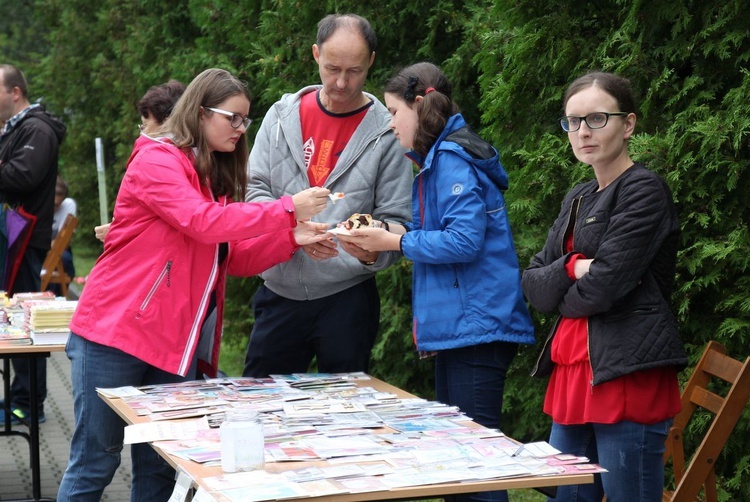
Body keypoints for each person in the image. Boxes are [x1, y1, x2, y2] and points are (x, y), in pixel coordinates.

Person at [57, 68, 331, 501]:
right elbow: (201, 223)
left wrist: (290, 238)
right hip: (115, 335)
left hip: (173, 345)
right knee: (96, 461)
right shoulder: (157, 159)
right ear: (201, 113)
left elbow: (227, 256)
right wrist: (286, 210)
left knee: (160, 468)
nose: (242, 131)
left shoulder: (211, 175)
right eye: (233, 119)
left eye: (247, 121)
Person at [337, 62, 535, 502]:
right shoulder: (436, 160)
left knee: (475, 466)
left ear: (420, 105)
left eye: (392, 111)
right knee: (458, 462)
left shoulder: (450, 160)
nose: (389, 125)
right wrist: (386, 239)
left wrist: (394, 241)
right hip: (460, 331)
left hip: (475, 330)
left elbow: (464, 242)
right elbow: (441, 235)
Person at [521, 72, 687, 501]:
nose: (582, 132)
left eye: (596, 119)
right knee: (568, 496)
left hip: (625, 372)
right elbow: (535, 285)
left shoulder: (644, 190)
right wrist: (575, 267)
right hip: (574, 370)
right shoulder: (578, 195)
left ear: (628, 124)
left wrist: (564, 288)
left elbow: (606, 286)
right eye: (573, 122)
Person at [242, 13, 413, 378]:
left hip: (348, 299)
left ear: (371, 62)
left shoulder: (387, 132)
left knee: (347, 414)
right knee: (262, 408)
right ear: (316, 54)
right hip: (279, 291)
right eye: (332, 68)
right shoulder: (280, 116)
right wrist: (289, 232)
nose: (341, 82)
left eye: (354, 71)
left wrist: (369, 252)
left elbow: (398, 221)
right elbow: (252, 191)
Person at [0, 63, 66, 425]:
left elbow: (22, 176)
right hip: (14, 234)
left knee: (24, 327)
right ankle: (18, 397)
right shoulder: (18, 129)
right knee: (12, 323)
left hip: (26, 235)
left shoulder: (37, 129)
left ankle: (28, 404)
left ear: (15, 92)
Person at [94, 79, 186, 242]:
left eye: (144, 126)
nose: (141, 134)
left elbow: (186, 219)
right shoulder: (186, 157)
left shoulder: (154, 160)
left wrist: (120, 231)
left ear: (166, 123)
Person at [51, 175, 77, 293]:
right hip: (41, 250)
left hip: (59, 251)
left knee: (65, 260)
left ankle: (58, 296)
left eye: (58, 204)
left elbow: (63, 242)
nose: (54, 208)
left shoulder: (68, 204)